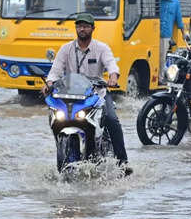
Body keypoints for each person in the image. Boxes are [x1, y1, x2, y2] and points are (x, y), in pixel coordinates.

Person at [42, 13, 131, 175]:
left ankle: (123, 164)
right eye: (79, 26)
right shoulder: (66, 49)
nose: (82, 29)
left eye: (86, 26)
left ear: (92, 29)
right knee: (55, 119)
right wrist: (49, 84)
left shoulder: (101, 48)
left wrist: (112, 77)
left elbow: (112, 65)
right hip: (70, 97)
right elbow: (54, 72)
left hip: (97, 96)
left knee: (112, 120)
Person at [159, 0, 187, 85]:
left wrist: (184, 33)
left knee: (162, 57)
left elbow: (179, 19)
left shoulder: (175, 3)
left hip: (166, 35)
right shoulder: (159, 1)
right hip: (153, 34)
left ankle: (161, 78)